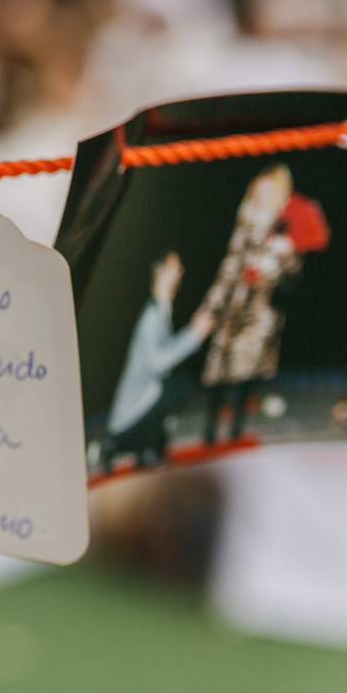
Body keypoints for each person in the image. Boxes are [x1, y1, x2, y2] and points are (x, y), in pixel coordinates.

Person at [198, 163, 329, 444]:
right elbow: (229, 265)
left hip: (261, 310)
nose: (261, 195)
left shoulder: (283, 223)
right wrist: (212, 303)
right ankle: (210, 435)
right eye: (259, 190)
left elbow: (293, 271)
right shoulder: (245, 220)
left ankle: (235, 432)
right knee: (221, 369)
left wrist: (284, 253)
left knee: (247, 372)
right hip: (235, 305)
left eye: (267, 191)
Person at [99, 252, 217, 472]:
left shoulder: (161, 310)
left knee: (175, 388)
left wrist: (193, 331)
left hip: (141, 404)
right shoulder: (152, 315)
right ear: (159, 273)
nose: (180, 272)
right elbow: (157, 363)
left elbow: (163, 353)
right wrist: (194, 335)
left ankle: (145, 446)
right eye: (174, 267)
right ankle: (116, 445)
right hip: (128, 414)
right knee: (177, 386)